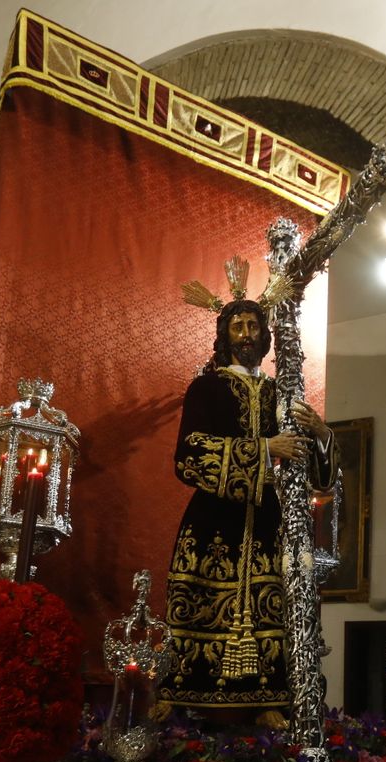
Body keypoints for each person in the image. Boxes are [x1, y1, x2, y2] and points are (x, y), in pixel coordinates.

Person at [156, 290, 333, 730]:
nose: (247, 334)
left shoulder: (281, 392)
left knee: (270, 599)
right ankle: (180, 692)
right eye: (238, 326)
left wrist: (322, 434)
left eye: (254, 326)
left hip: (268, 518)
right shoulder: (207, 387)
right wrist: (262, 449)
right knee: (199, 597)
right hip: (215, 516)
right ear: (224, 335)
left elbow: (313, 476)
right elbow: (189, 454)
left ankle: (268, 697)